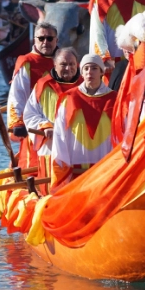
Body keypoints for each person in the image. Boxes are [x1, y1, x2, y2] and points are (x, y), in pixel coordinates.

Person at [16, 47, 82, 194]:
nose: (68, 68)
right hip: (51, 145)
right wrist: (46, 127)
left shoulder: (86, 85)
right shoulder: (43, 85)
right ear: (55, 65)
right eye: (63, 64)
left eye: (72, 64)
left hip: (79, 147)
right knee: (51, 190)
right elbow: (30, 114)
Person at [48, 53, 116, 192]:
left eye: (94, 68)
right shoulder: (69, 98)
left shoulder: (114, 99)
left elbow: (121, 135)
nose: (90, 72)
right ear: (82, 73)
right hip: (76, 174)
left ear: (102, 72)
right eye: (86, 69)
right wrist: (62, 168)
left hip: (105, 172)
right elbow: (60, 136)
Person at [6, 22, 58, 142]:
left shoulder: (65, 60)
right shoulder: (27, 62)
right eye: (41, 38)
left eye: (50, 38)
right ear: (35, 40)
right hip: (36, 123)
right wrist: (17, 123)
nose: (45, 42)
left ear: (56, 40)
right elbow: (17, 95)